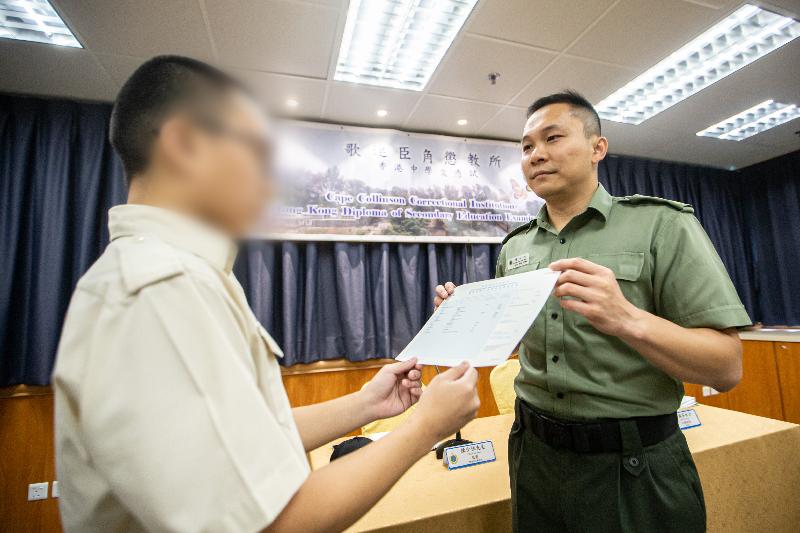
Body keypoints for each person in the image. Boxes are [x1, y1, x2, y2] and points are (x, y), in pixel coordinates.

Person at [52, 55, 480, 533]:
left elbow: (242, 441)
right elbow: (269, 524)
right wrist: (425, 429)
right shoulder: (158, 290)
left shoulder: (184, 274)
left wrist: (365, 405)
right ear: (185, 142)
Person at [434, 91, 751, 532]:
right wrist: (464, 318)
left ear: (597, 148)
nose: (536, 155)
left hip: (633, 465)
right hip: (534, 459)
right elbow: (509, 343)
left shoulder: (661, 224)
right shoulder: (515, 247)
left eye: (553, 138)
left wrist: (627, 319)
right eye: (526, 147)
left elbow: (727, 367)